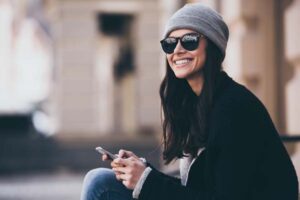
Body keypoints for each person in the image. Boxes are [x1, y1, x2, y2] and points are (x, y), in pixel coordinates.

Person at [80, 3, 299, 200]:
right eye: (169, 43)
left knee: (99, 184)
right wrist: (142, 170)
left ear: (211, 46)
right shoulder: (199, 104)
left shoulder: (234, 108)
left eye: (190, 41)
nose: (177, 50)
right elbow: (198, 190)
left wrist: (146, 181)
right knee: (101, 181)